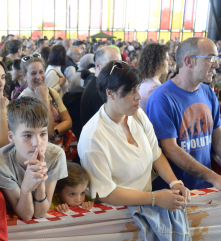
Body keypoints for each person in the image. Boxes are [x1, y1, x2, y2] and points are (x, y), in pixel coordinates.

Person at [79, 61, 191, 211]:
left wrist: (174, 183)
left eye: (137, 89)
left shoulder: (137, 115)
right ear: (110, 93)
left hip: (146, 203)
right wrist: (155, 198)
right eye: (130, 91)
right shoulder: (92, 137)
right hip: (115, 213)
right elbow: (105, 193)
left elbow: (155, 154)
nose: (138, 96)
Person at [146, 37, 221, 199]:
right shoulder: (162, 98)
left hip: (205, 187)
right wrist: (215, 177)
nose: (216, 65)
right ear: (189, 61)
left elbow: (219, 136)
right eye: (211, 58)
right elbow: (170, 149)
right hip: (175, 193)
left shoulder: (208, 93)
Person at [0, 97, 67, 220]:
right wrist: (25, 189)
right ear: (11, 137)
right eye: (27, 135)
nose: (37, 143)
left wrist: (40, 183)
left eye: (43, 134)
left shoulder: (56, 156)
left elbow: (40, 214)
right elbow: (26, 215)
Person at [18, 55, 72, 151]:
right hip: (39, 152)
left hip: (60, 149)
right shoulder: (22, 101)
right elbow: (49, 132)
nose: (39, 77)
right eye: (33, 73)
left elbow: (68, 122)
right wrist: (45, 100)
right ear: (24, 76)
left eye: (41, 72)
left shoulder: (52, 92)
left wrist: (54, 131)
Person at [80, 46, 121, 127]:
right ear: (98, 65)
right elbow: (112, 124)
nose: (118, 69)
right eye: (112, 65)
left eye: (119, 64)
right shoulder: (97, 92)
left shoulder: (104, 85)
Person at [137, 43, 170, 111]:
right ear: (157, 62)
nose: (169, 62)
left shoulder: (145, 80)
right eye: (166, 59)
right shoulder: (154, 88)